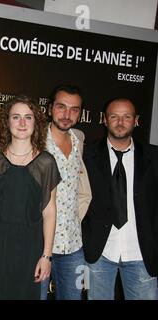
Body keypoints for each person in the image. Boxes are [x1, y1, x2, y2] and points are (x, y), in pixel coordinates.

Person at [0, 95, 60, 300]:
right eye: (16, 117)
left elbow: (49, 212)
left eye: (28, 117)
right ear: (7, 122)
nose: (22, 123)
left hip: (29, 245)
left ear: (36, 123)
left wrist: (46, 256)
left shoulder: (46, 162)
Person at [82, 97, 158, 300]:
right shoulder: (86, 155)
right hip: (99, 253)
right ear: (104, 120)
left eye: (127, 117)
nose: (120, 122)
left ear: (136, 120)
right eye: (114, 116)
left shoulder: (154, 157)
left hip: (142, 254)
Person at [46, 85, 91, 300]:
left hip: (73, 246)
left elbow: (82, 192)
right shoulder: (33, 141)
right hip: (38, 245)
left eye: (74, 109)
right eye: (61, 107)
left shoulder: (79, 139)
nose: (67, 115)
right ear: (49, 108)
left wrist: (75, 219)